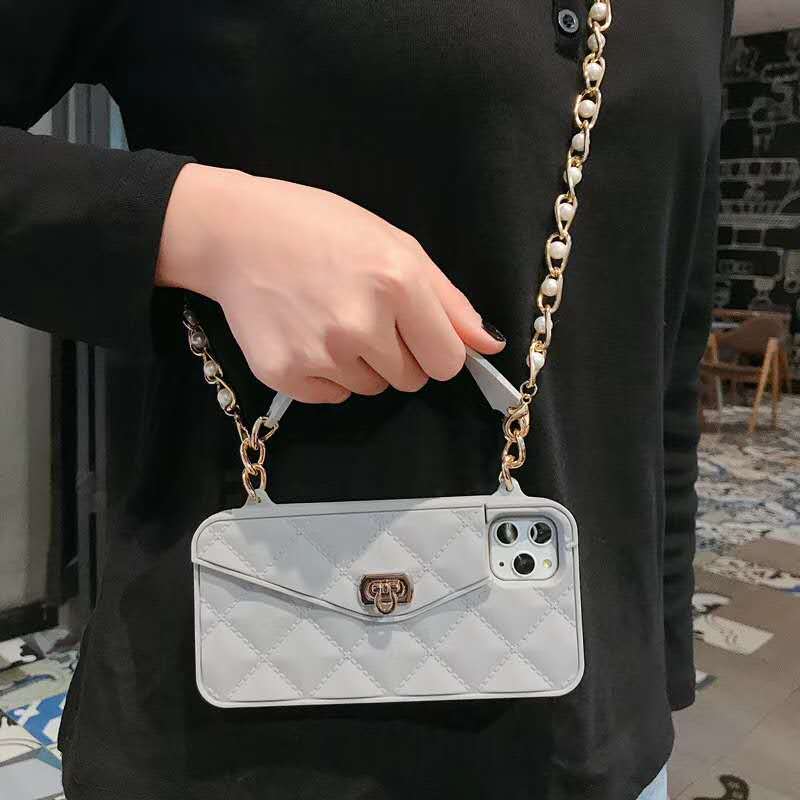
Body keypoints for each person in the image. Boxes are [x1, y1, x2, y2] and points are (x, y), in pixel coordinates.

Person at [0, 2, 734, 799]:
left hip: (601, 741)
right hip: (236, 742)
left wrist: (658, 672)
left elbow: (665, 361)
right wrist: (199, 226)